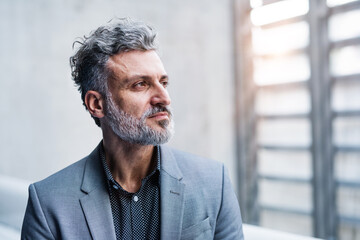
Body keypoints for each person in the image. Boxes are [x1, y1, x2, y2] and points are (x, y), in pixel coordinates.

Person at [21, 18, 244, 240]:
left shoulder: (214, 182)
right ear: (97, 104)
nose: (164, 97)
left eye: (163, 83)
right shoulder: (48, 203)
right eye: (140, 84)